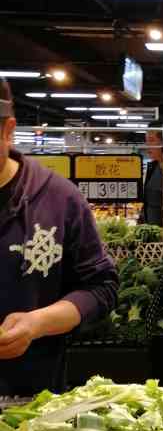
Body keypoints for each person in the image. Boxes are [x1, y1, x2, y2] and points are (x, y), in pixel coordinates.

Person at [0, 80, 118, 394]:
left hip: (30, 401)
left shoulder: (57, 198)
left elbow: (101, 288)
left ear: (8, 129)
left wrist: (37, 323)